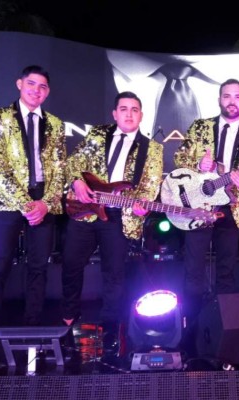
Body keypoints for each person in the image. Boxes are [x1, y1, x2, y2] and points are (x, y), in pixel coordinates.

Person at [61, 91, 163, 354]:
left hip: (118, 216)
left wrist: (142, 205)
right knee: (71, 264)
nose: (129, 114)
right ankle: (68, 317)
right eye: (124, 109)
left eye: (134, 110)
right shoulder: (97, 134)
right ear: (115, 113)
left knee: (114, 274)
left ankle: (109, 329)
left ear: (141, 115)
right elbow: (73, 162)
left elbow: (150, 185)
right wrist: (77, 182)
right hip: (84, 209)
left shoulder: (152, 148)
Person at [0, 65, 66, 331]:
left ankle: (33, 325)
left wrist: (45, 203)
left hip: (43, 201)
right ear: (19, 84)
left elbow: (60, 170)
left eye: (42, 86)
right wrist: (26, 204)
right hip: (8, 200)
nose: (36, 90)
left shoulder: (55, 123)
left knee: (39, 266)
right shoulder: (0, 116)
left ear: (48, 91)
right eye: (31, 84)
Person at [172, 79, 239, 319]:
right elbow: (179, 159)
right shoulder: (200, 127)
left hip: (231, 208)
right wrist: (197, 164)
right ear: (219, 100)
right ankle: (191, 322)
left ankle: (224, 323)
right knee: (193, 268)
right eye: (227, 96)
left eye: (237, 96)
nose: (231, 101)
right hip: (198, 205)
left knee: (227, 270)